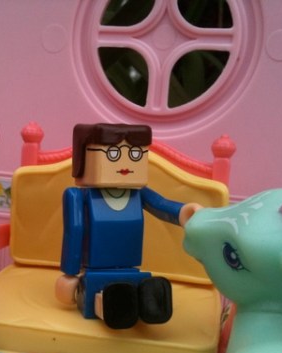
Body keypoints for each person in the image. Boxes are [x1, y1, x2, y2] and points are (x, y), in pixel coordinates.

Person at [55, 123, 199, 329]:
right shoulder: (78, 196)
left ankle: (147, 304)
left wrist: (185, 213)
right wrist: (70, 273)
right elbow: (74, 231)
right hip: (95, 270)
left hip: (131, 267)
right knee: (109, 298)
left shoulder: (138, 194)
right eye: (113, 154)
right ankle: (113, 306)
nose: (125, 162)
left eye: (135, 154)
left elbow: (162, 205)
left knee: (140, 290)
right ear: (84, 157)